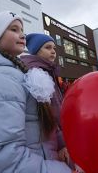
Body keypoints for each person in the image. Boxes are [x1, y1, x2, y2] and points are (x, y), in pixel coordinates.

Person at [0, 11, 71, 172]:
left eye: (22, 30)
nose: (22, 35)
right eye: (14, 29)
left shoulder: (16, 72)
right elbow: (2, 158)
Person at [20, 33, 80, 172]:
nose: (53, 51)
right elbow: (51, 113)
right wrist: (61, 144)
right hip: (47, 141)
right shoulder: (37, 74)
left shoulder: (48, 70)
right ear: (35, 51)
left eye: (54, 48)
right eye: (47, 47)